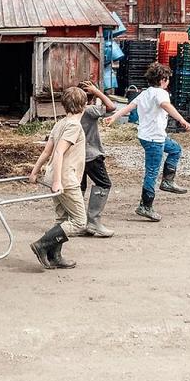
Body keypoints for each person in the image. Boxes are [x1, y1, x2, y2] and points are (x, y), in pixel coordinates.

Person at [105, 62, 190, 222]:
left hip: (148, 136)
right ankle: (145, 206)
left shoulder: (145, 93)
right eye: (167, 79)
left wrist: (114, 117)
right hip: (154, 139)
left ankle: (168, 181)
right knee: (152, 172)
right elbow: (166, 105)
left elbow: (129, 107)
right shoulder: (161, 93)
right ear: (162, 80)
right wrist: (182, 120)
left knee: (175, 149)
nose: (168, 82)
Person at [28, 86, 88, 270]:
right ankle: (42, 245)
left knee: (62, 218)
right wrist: (57, 182)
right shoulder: (74, 126)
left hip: (55, 175)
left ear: (64, 106)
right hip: (65, 179)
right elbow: (59, 152)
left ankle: (55, 256)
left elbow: (47, 150)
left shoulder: (60, 123)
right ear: (85, 105)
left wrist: (35, 171)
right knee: (79, 222)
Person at [78, 80, 117, 238]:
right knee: (104, 184)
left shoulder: (74, 111)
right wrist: (98, 92)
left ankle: (78, 222)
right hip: (92, 155)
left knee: (79, 187)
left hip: (78, 155)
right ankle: (93, 222)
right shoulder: (90, 110)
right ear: (91, 97)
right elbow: (111, 107)